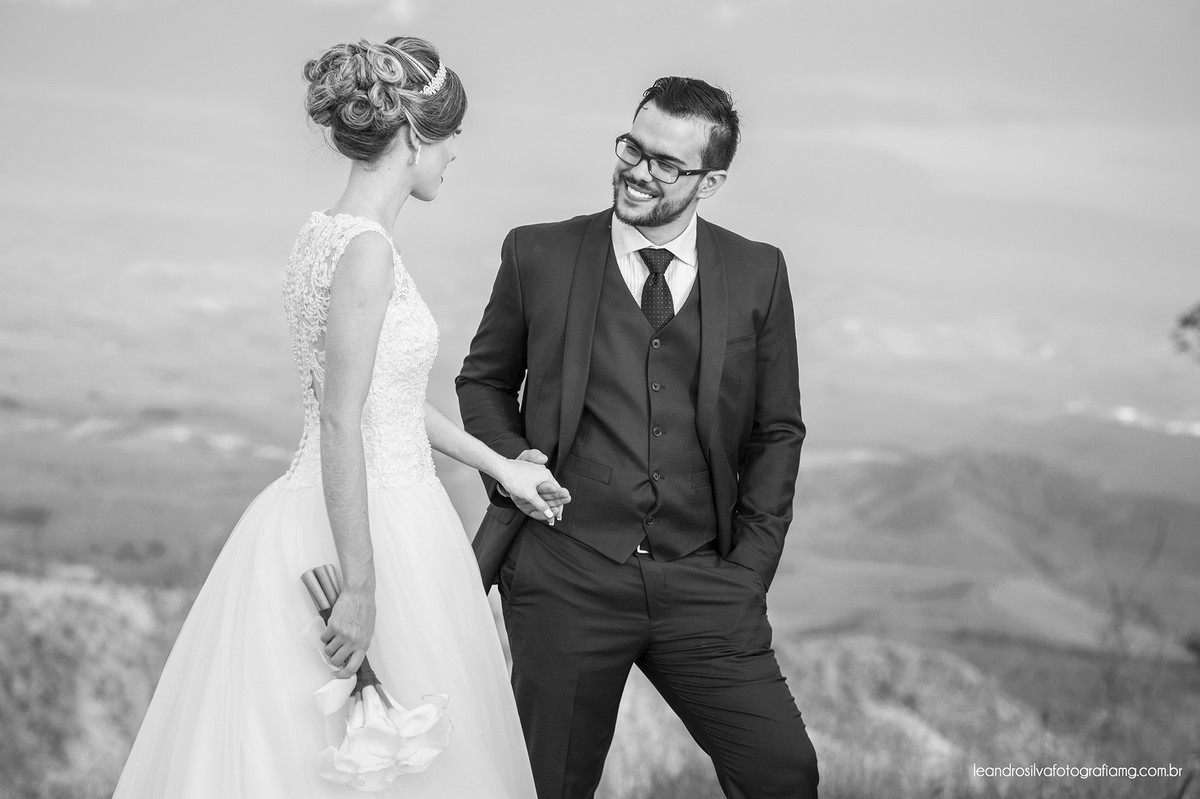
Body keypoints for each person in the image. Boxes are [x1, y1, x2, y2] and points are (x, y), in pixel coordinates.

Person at [113, 37, 562, 798]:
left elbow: (389, 399)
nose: (455, 152)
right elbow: (339, 420)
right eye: (451, 135)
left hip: (342, 505)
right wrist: (359, 589)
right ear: (415, 135)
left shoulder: (324, 234)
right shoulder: (367, 253)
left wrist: (500, 467)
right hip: (372, 527)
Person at [457, 77, 819, 798]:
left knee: (782, 772)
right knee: (550, 785)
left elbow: (777, 429)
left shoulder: (758, 271)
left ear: (710, 181)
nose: (637, 171)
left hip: (706, 578)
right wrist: (515, 463)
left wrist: (750, 570)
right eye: (633, 147)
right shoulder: (538, 253)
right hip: (567, 570)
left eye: (666, 163)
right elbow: (484, 382)